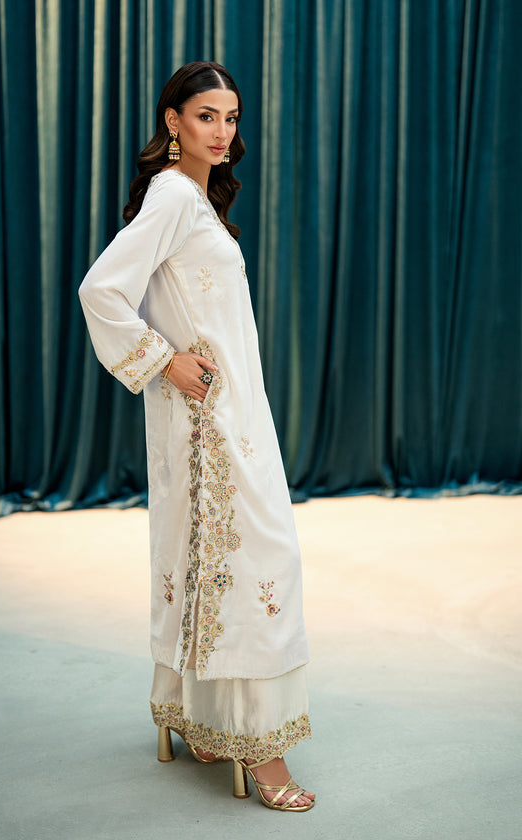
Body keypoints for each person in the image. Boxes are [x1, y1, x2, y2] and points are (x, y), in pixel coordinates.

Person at [79, 61, 315, 812]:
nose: (222, 131)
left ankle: (199, 717)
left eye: (232, 117)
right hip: (212, 419)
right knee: (257, 559)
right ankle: (263, 751)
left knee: (216, 559)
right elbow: (100, 289)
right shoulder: (175, 195)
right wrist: (162, 360)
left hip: (230, 412)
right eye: (206, 115)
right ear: (173, 120)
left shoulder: (195, 199)